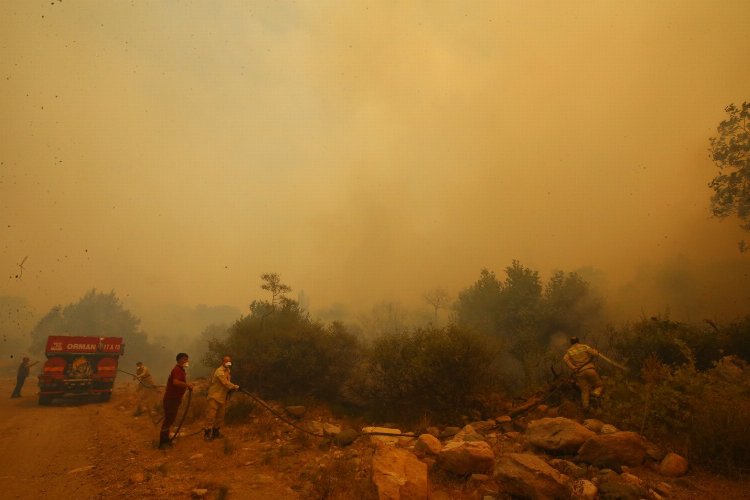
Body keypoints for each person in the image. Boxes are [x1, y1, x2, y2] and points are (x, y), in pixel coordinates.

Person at [159, 353, 194, 449]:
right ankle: (163, 443)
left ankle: (166, 439)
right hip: (171, 399)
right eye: (185, 359)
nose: (186, 362)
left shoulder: (181, 370)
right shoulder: (177, 370)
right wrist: (187, 385)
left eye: (187, 359)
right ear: (179, 360)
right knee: (168, 420)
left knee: (170, 419)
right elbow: (176, 382)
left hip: (174, 399)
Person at [202, 355, 240, 441]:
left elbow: (227, 384)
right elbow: (225, 382)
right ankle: (207, 434)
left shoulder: (228, 371)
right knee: (211, 416)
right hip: (214, 396)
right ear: (222, 362)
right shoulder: (219, 371)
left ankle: (216, 432)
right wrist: (235, 386)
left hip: (222, 397)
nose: (228, 363)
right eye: (226, 361)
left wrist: (232, 389)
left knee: (220, 416)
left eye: (229, 361)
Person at [563, 337, 603, 410]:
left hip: (580, 372)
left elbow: (565, 359)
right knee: (599, 385)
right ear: (578, 341)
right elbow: (594, 353)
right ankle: (595, 394)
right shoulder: (584, 347)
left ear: (571, 343)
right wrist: (596, 352)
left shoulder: (569, 351)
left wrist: (573, 368)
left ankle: (586, 407)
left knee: (584, 391)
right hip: (589, 369)